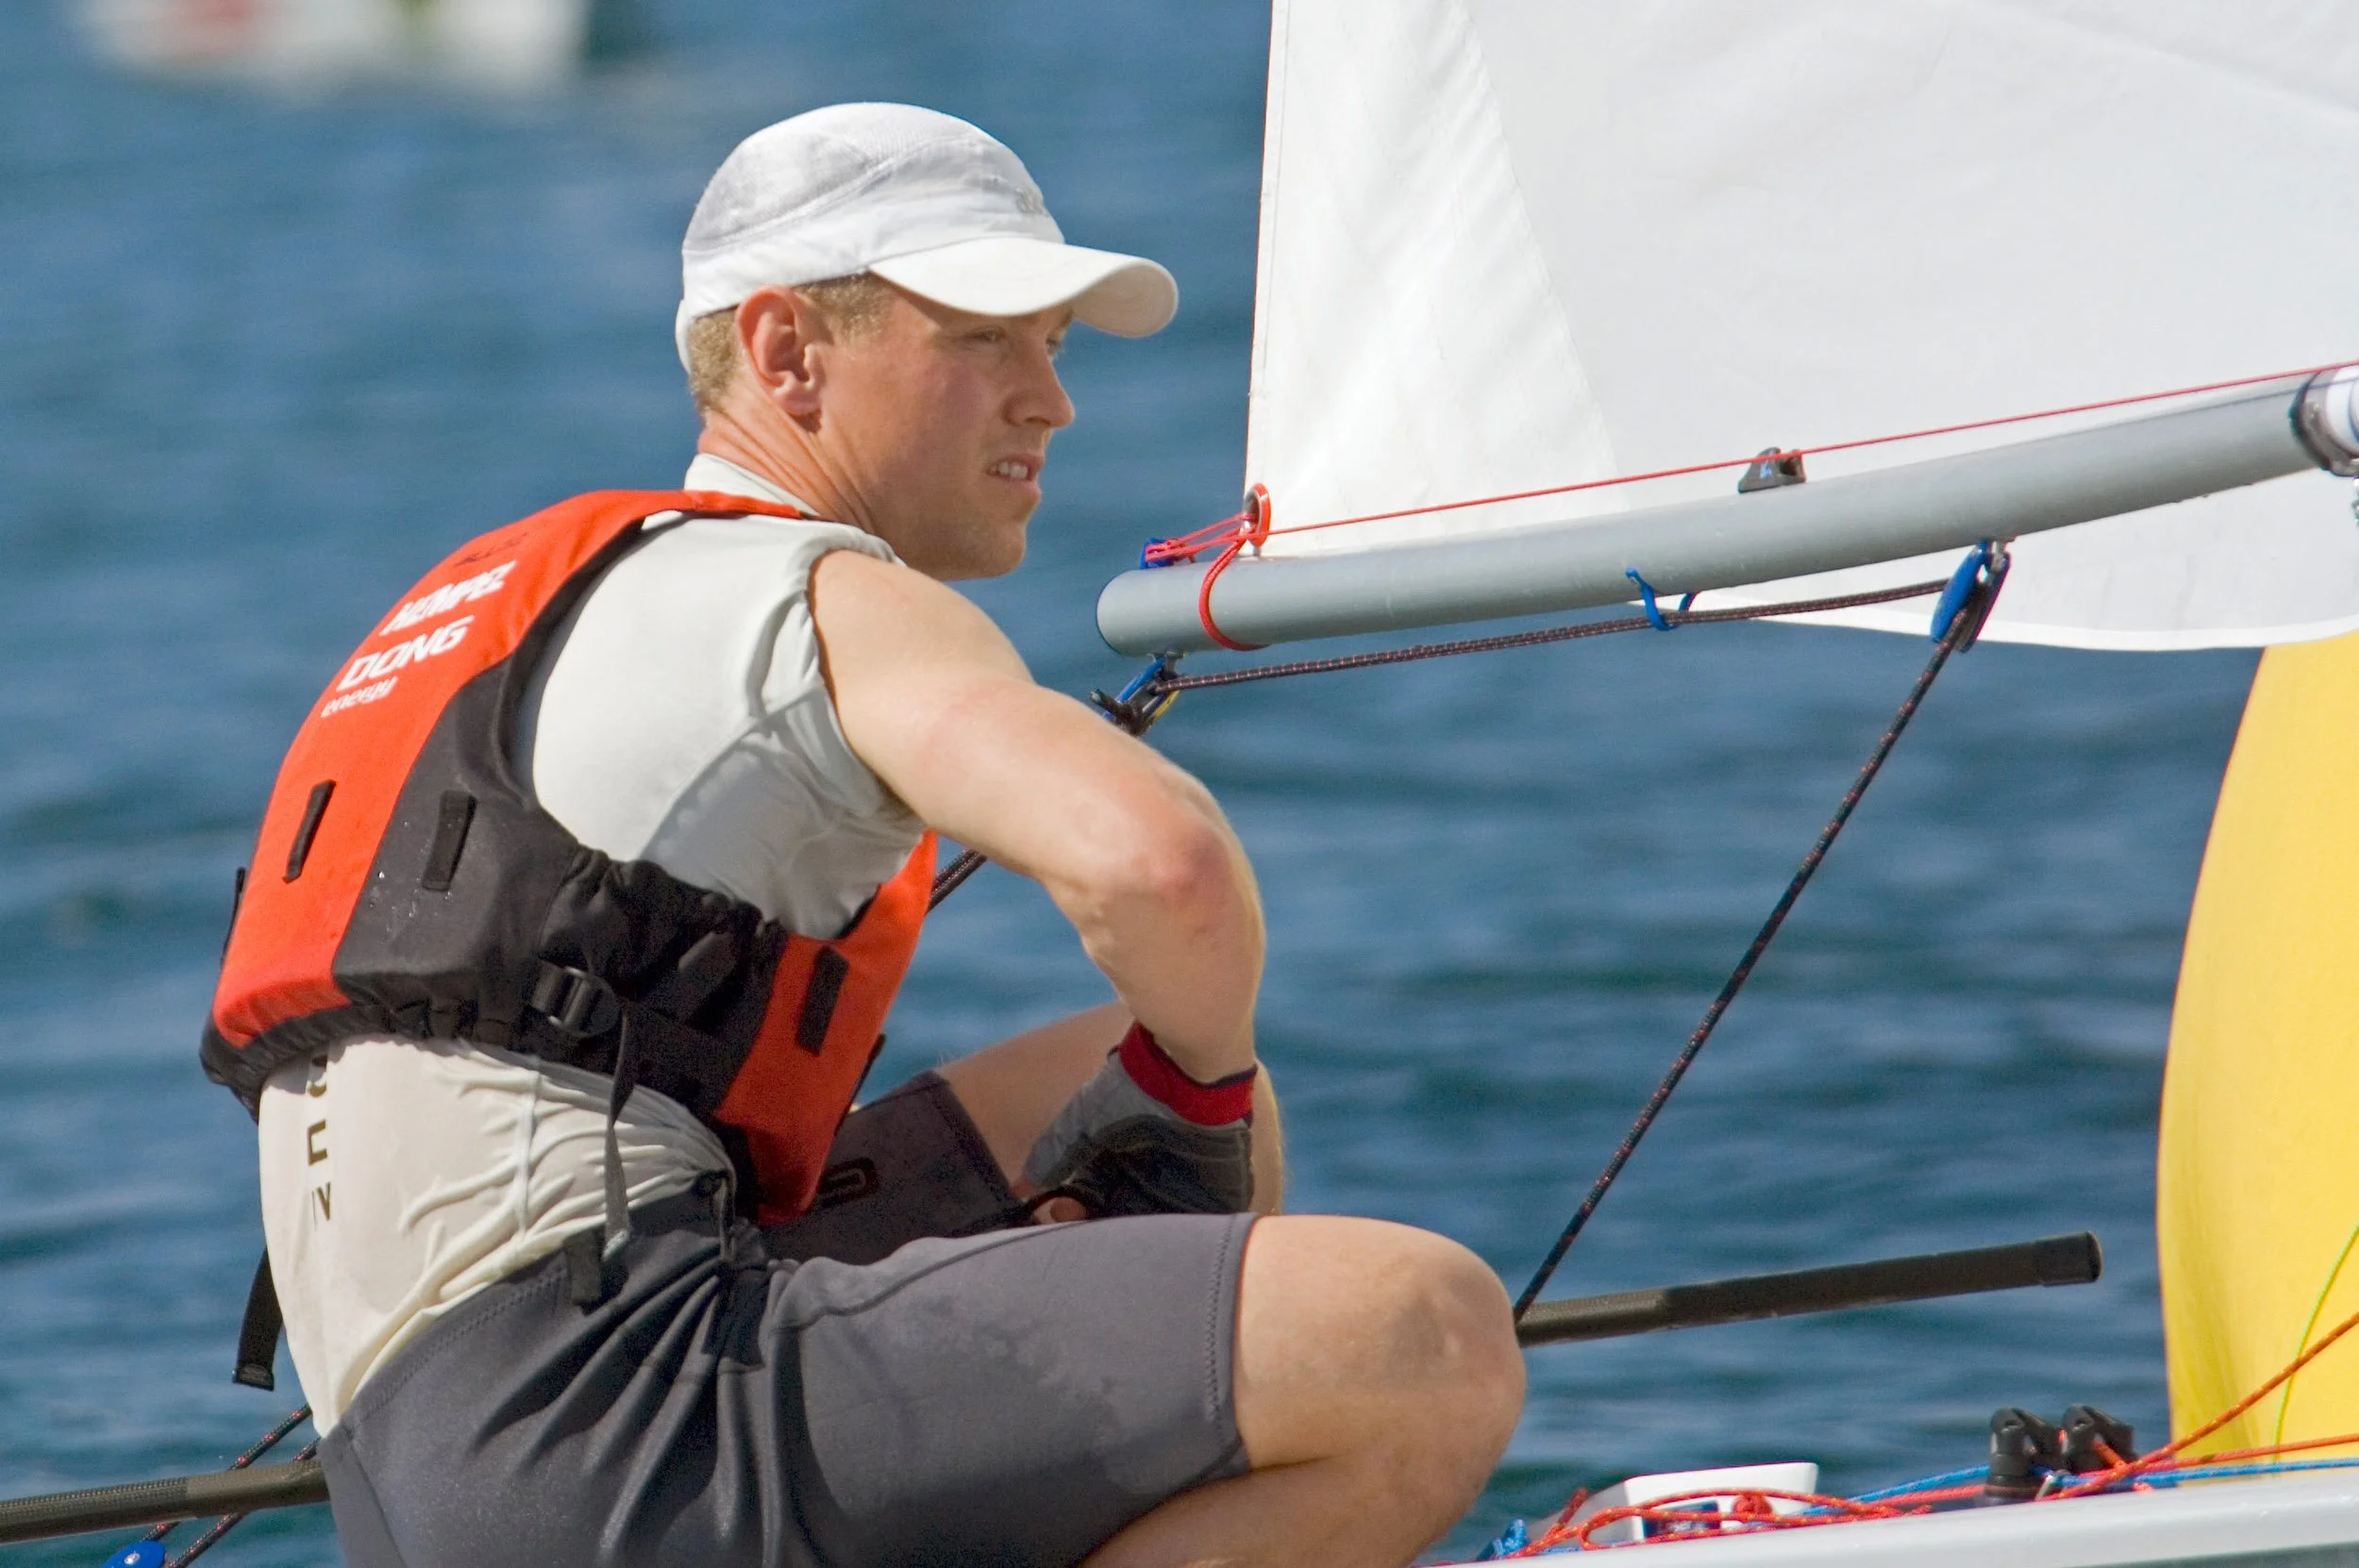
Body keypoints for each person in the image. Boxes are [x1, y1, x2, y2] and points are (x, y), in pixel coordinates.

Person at [204, 103, 1521, 1568]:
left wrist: (1173, 1092)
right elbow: (1164, 866)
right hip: (623, 1427)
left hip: (418, 1478)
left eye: (1058, 346)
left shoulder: (532, 602)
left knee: (1103, 1086)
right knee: (1423, 1337)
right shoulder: (815, 592)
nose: (1052, 401)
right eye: (986, 340)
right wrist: (1193, 1101)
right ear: (784, 355)